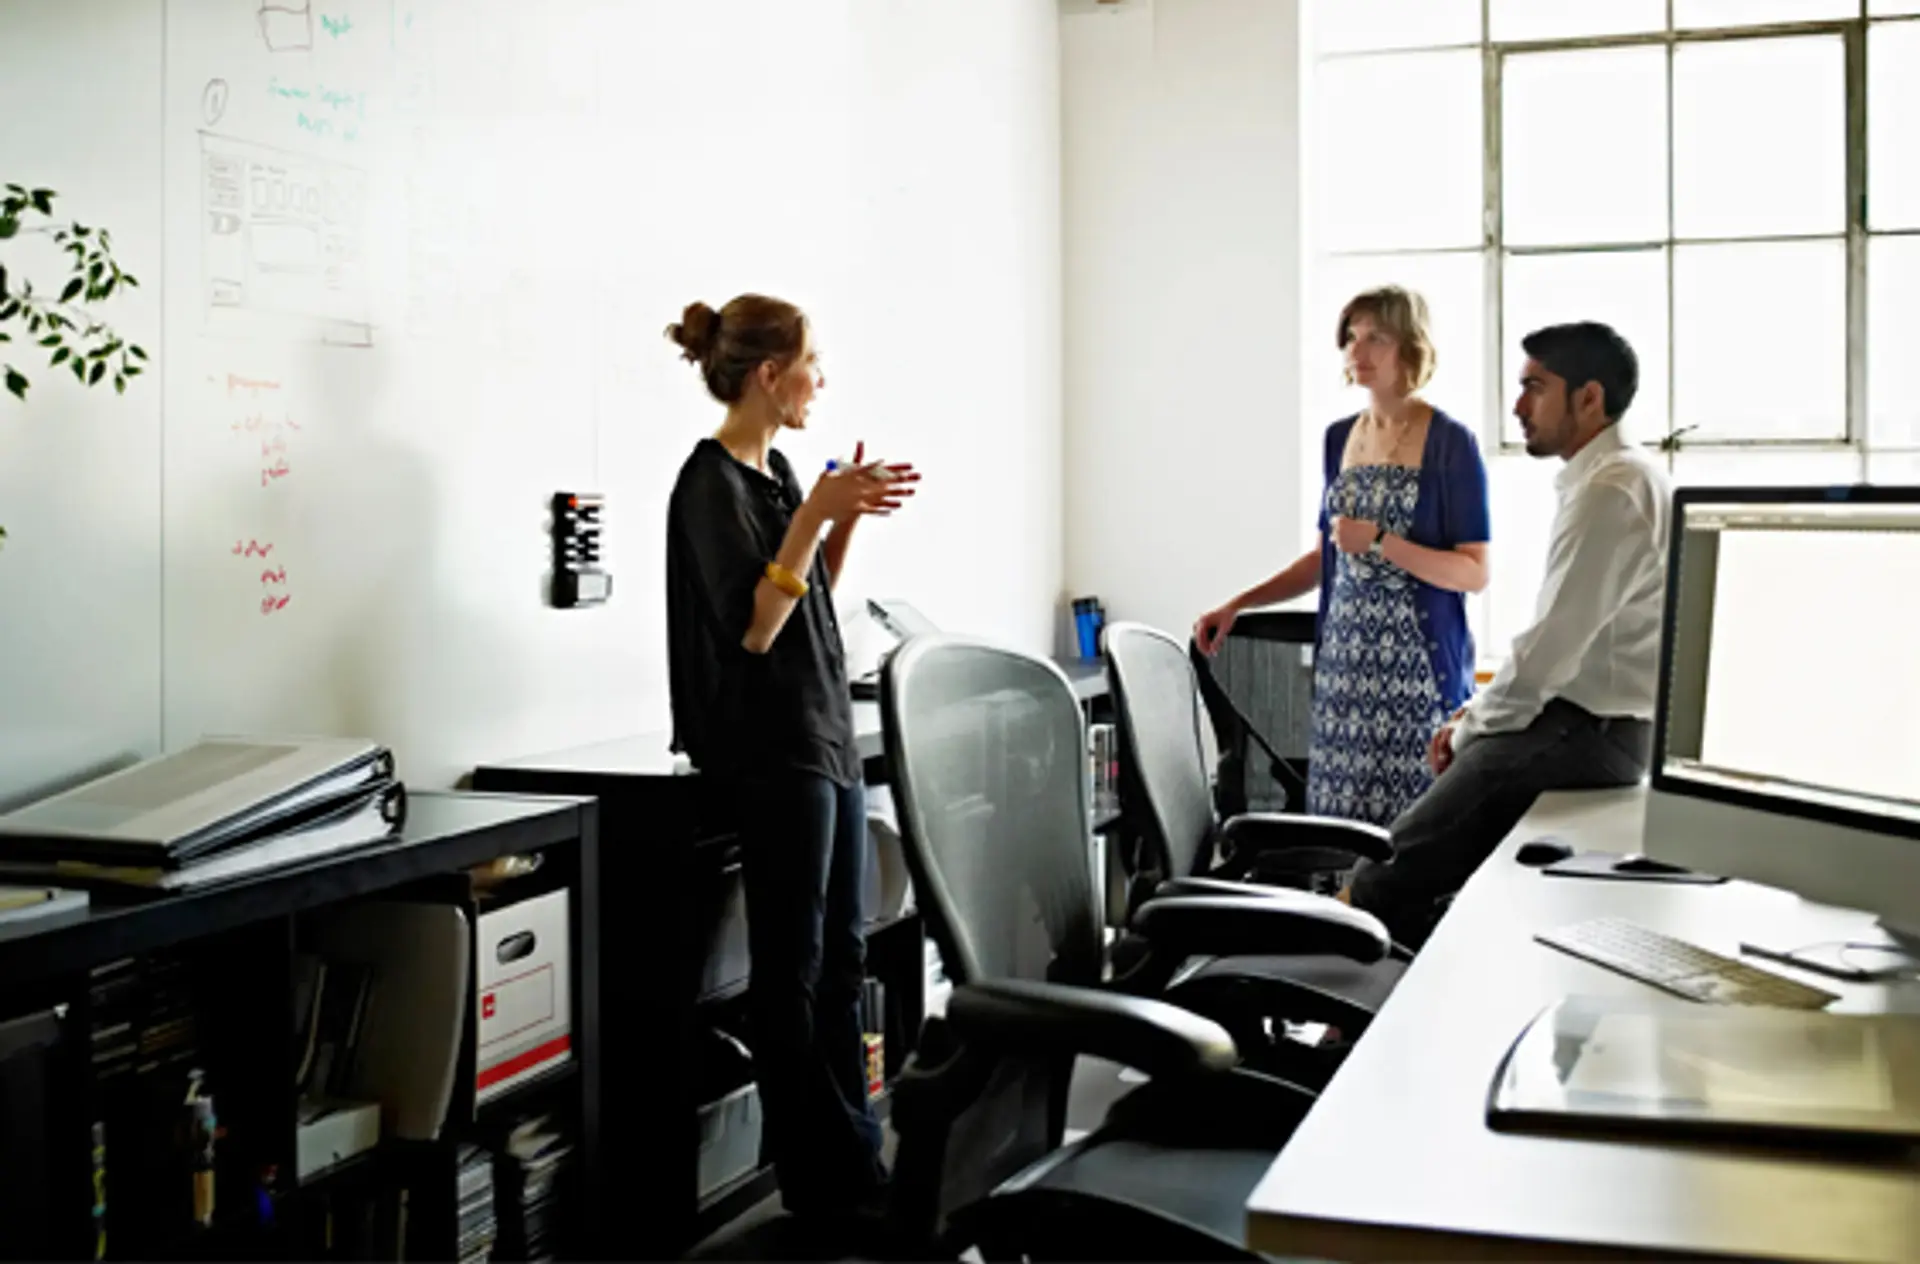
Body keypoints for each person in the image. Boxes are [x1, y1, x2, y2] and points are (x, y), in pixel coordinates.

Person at [663, 294, 918, 1227]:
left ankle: (855, 1166)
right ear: (770, 376)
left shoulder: (773, 474)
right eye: (812, 363)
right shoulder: (709, 485)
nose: (821, 380)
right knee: (793, 971)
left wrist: (839, 520)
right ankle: (824, 1180)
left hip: (823, 735)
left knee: (844, 958)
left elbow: (807, 594)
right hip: (770, 748)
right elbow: (756, 629)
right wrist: (814, 512)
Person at [1344, 321, 1672, 949]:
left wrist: (1469, 729)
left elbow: (1549, 650)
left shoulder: (1611, 491)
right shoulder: (1620, 479)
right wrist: (1478, 713)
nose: (1518, 407)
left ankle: (1316, 991)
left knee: (1384, 875)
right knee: (1421, 871)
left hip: (1590, 732)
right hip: (1592, 724)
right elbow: (1563, 647)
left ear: (1589, 398)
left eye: (1534, 388)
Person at [1195, 285, 1491, 828]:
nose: (1358, 351)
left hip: (1420, 675)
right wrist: (1239, 603)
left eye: (1376, 337)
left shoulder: (1451, 442)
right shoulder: (1338, 439)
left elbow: (1473, 572)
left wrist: (1380, 541)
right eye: (1351, 338)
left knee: (1416, 834)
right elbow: (1323, 560)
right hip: (1344, 674)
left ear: (1410, 345)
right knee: (1339, 829)